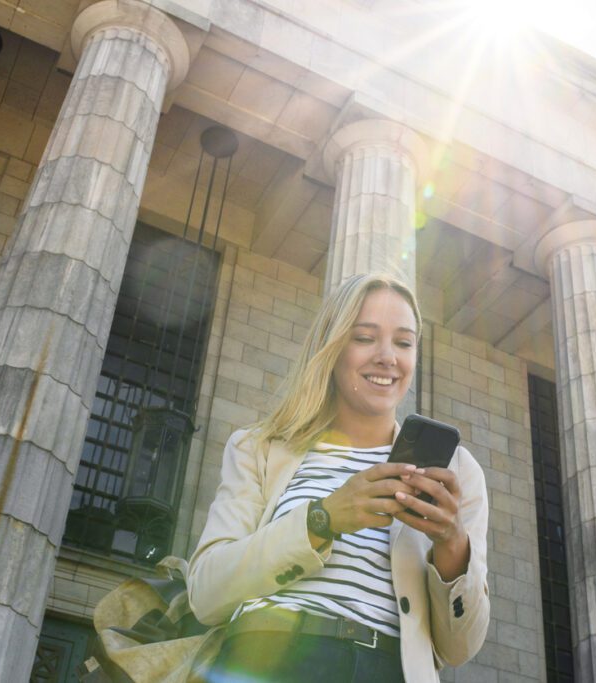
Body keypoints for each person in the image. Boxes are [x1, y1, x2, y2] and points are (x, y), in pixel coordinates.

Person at [187, 273, 489, 682]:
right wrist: (321, 519)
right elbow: (205, 595)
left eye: (404, 342)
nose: (388, 357)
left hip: (385, 668)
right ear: (332, 347)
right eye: (365, 337)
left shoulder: (457, 470)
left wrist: (452, 545)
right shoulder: (258, 448)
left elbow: (459, 648)